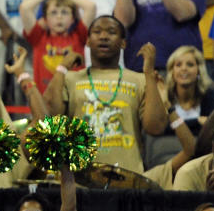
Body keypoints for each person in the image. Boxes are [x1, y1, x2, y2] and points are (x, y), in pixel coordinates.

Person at [43, 17, 168, 173]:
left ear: (123, 43)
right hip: (79, 176)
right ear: (87, 41)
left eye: (111, 32)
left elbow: (156, 127)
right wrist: (61, 68)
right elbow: (50, 117)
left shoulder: (139, 79)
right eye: (97, 32)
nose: (103, 36)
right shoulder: (70, 78)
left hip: (127, 175)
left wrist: (149, 74)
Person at [19, 0, 95, 92]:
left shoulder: (79, 36)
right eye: (53, 13)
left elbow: (91, 7)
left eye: (65, 12)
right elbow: (24, 8)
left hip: (74, 97)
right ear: (45, 19)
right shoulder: (38, 38)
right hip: (44, 99)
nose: (59, 17)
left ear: (73, 18)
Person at [163, 45, 214, 136]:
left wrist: (176, 127)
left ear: (199, 70)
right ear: (172, 71)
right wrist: (196, 121)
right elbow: (161, 129)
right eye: (178, 65)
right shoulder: (165, 96)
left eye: (190, 64)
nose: (184, 68)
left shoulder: (210, 95)